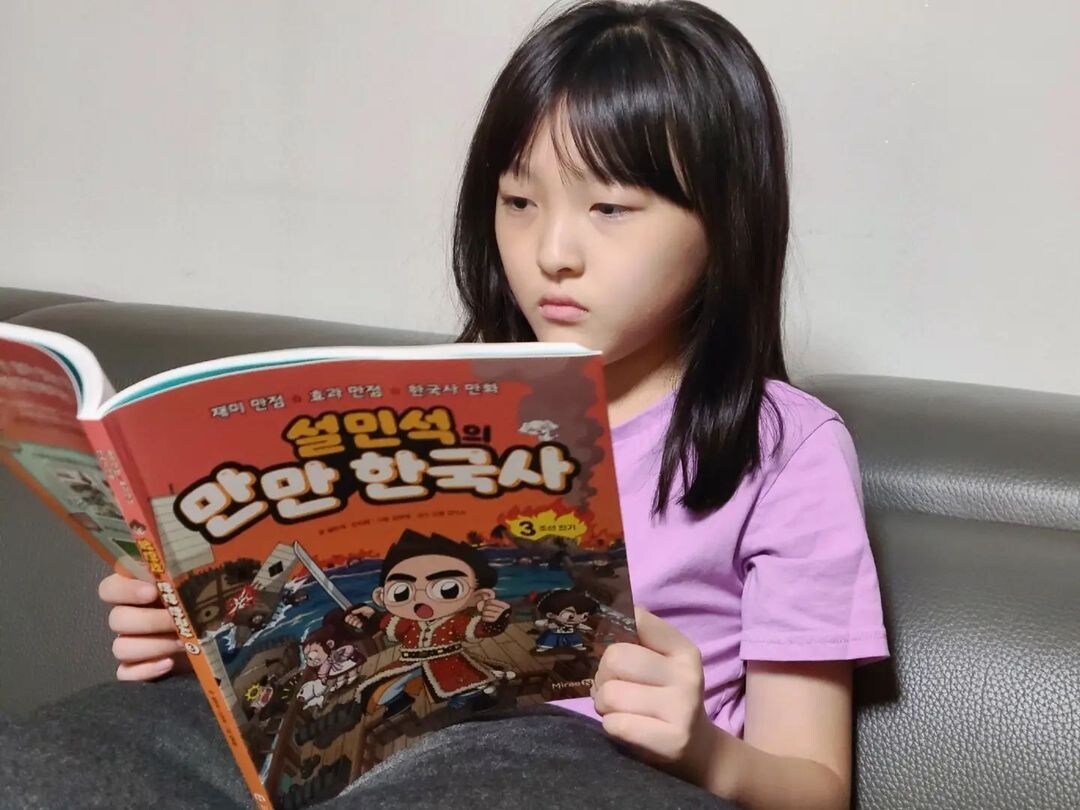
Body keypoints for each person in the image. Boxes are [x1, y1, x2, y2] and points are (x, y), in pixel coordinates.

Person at [43, 2, 889, 808]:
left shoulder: (785, 448)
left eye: (610, 208)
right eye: (519, 202)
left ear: (725, 224)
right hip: (359, 750)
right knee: (56, 763)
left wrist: (702, 749)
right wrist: (196, 639)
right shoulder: (429, 409)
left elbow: (817, 786)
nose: (552, 252)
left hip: (566, 763)